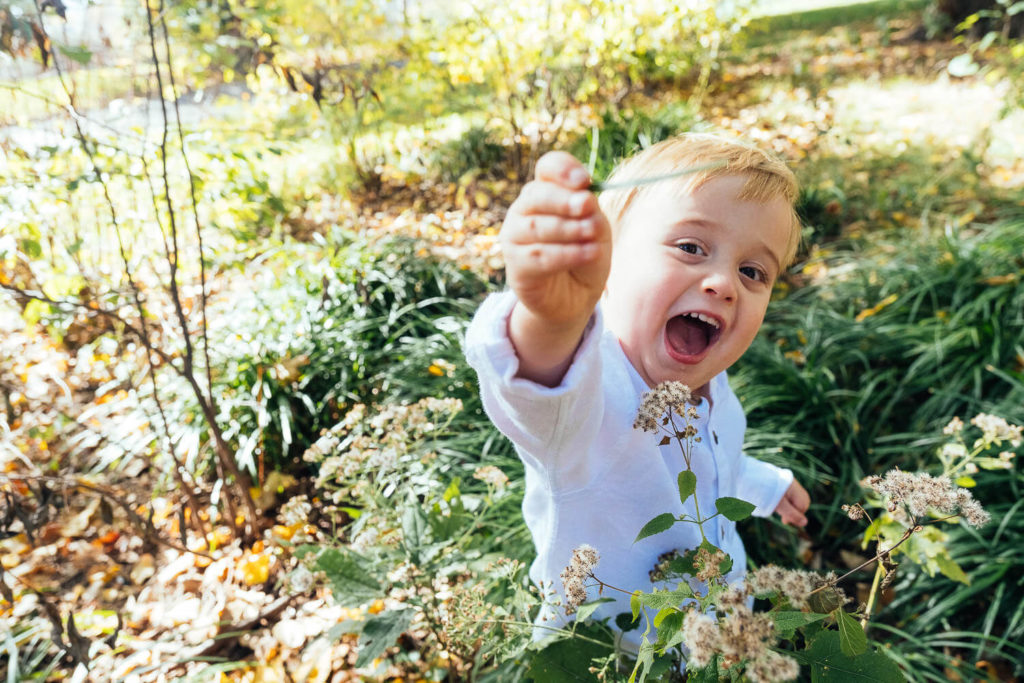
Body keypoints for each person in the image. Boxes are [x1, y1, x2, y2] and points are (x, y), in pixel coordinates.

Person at [464, 133, 811, 647]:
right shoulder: (589, 400)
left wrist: (764, 486)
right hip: (615, 657)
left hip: (716, 636)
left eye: (752, 271)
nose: (723, 283)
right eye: (690, 247)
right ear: (607, 263)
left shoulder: (710, 383)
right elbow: (537, 390)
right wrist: (552, 321)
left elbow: (714, 463)